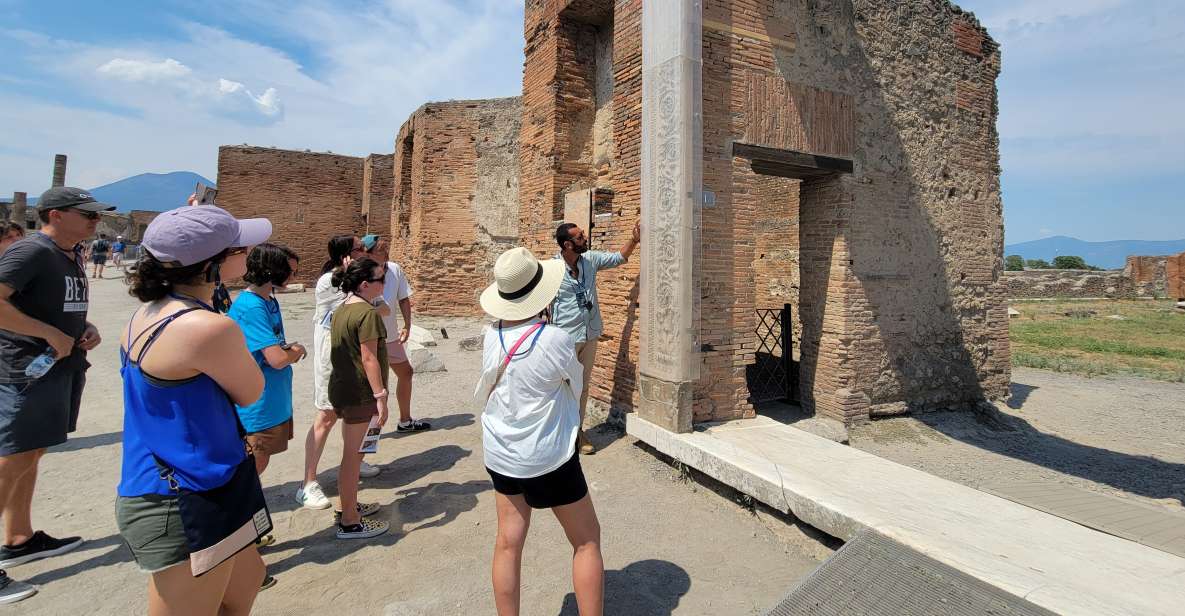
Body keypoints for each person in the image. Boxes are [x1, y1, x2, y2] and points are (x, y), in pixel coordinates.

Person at [116, 205, 273, 613]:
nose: (250, 253)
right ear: (213, 267)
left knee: (246, 582)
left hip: (210, 480)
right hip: (181, 495)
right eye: (239, 248)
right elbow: (251, 391)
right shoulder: (207, 328)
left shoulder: (150, 313)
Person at [476, 247, 603, 616]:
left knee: (508, 543)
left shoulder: (491, 335)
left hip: (502, 453)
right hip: (549, 455)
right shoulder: (555, 339)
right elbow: (575, 385)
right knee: (586, 541)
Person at [0, 187, 112, 604]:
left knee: (31, 454)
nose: (95, 221)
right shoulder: (30, 252)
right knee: (11, 459)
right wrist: (47, 333)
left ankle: (18, 537)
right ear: (55, 214)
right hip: (25, 371)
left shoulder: (70, 254)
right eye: (87, 214)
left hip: (58, 368)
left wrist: (85, 328)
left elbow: (53, 306)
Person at [227, 244, 304, 546]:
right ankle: (240, 540)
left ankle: (246, 534)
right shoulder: (252, 307)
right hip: (256, 405)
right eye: (290, 269)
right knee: (249, 471)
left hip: (272, 400)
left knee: (258, 466)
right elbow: (277, 357)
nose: (293, 274)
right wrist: (295, 351)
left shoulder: (268, 300)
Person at [296, 235, 377, 510]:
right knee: (327, 414)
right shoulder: (327, 282)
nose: (363, 251)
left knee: (355, 413)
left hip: (351, 354)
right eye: (358, 248)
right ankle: (308, 483)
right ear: (345, 254)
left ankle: (355, 461)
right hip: (330, 356)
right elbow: (348, 307)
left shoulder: (356, 279)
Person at [551, 221, 639, 454]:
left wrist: (635, 239)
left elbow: (618, 258)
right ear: (568, 244)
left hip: (589, 335)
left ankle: (578, 432)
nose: (585, 238)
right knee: (561, 386)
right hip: (563, 338)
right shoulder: (551, 269)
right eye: (580, 237)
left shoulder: (590, 260)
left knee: (582, 386)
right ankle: (556, 432)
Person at [327, 257, 391, 540]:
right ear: (366, 284)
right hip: (361, 392)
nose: (384, 284)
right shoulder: (367, 314)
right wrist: (381, 396)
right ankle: (350, 520)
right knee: (353, 456)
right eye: (381, 280)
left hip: (344, 389)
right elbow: (369, 357)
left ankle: (349, 504)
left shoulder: (344, 308)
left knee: (355, 452)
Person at [362, 234, 429, 432]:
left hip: (390, 337)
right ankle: (367, 438)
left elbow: (403, 299)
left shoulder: (394, 269)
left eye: (386, 249)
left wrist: (407, 324)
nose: (386, 253)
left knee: (406, 373)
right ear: (369, 254)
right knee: (376, 389)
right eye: (381, 250)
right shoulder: (360, 273)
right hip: (369, 339)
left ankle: (405, 420)